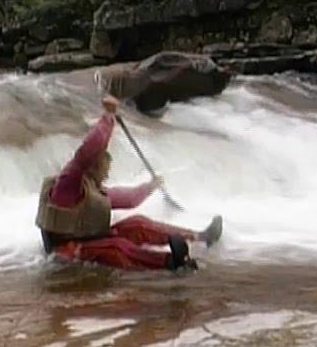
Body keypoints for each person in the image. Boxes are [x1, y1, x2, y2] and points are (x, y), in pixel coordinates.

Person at [35, 95, 222, 271]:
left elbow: (128, 200)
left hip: (87, 240)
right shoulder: (68, 183)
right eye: (104, 170)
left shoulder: (91, 188)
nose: (107, 175)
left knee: (137, 224)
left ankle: (200, 238)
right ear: (92, 168)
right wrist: (108, 117)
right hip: (64, 253)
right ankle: (170, 263)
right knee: (117, 247)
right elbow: (89, 150)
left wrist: (150, 187)